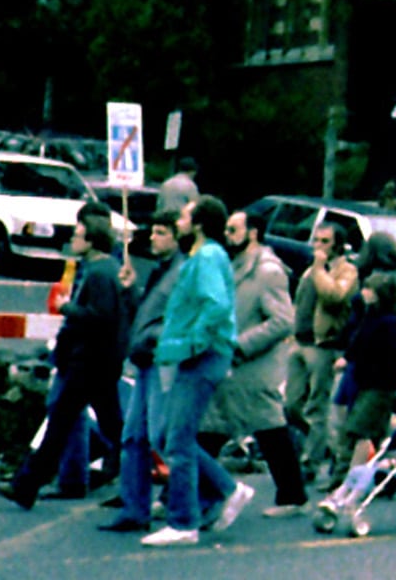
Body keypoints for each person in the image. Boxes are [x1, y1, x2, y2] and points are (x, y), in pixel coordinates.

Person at [0, 203, 129, 509]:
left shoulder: (98, 273)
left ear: (92, 240)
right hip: (97, 363)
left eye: (79, 235)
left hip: (89, 363)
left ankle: (27, 484)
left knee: (63, 423)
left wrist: (68, 308)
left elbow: (101, 318)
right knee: (106, 426)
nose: (73, 240)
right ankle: (132, 476)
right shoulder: (101, 269)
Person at [143, 196, 253, 547]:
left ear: (200, 222)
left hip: (201, 357)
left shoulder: (206, 256)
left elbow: (216, 305)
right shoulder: (206, 255)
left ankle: (183, 522)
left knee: (176, 439)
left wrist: (193, 342)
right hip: (198, 355)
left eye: (186, 214)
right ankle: (226, 488)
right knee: (170, 436)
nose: (180, 219)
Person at [199, 209, 307, 518]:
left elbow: (284, 321)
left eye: (234, 230)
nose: (228, 235)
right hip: (233, 366)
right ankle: (186, 494)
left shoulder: (268, 271)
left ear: (254, 233)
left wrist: (242, 344)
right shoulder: (236, 265)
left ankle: (293, 497)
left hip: (254, 369)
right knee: (212, 427)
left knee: (270, 431)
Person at [102, 212, 187, 533]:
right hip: (147, 359)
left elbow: (173, 319)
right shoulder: (161, 271)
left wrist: (153, 339)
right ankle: (134, 509)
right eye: (153, 232)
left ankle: (212, 491)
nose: (153, 238)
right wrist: (130, 290)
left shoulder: (179, 274)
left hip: (160, 361)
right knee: (134, 436)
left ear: (177, 239)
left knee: (161, 436)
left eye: (161, 233)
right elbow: (147, 313)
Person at [285, 220, 359, 482]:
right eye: (316, 240)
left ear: (338, 244)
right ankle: (322, 441)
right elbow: (301, 300)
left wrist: (319, 268)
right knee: (291, 404)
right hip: (300, 341)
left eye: (325, 241)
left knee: (317, 405)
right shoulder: (311, 270)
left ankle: (311, 461)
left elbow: (334, 296)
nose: (318, 246)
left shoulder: (346, 271)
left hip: (323, 345)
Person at [329, 273, 396, 480]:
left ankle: (349, 480)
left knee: (358, 430)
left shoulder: (389, 323)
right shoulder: (370, 315)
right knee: (368, 432)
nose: (364, 293)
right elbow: (358, 341)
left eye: (369, 289)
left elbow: (391, 356)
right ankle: (346, 477)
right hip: (365, 381)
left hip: (379, 386)